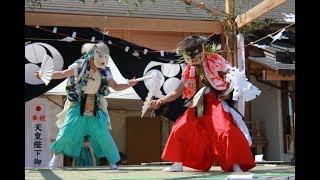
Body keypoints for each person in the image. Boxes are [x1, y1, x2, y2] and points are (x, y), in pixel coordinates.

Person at [149, 35, 256, 172]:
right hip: (197, 102)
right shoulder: (189, 70)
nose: (194, 59)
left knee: (226, 130)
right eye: (190, 56)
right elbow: (176, 92)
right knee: (179, 128)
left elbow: (233, 75)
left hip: (215, 102)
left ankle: (236, 164)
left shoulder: (215, 60)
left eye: (196, 54)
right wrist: (160, 101)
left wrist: (228, 91)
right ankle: (177, 164)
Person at [35, 42, 137, 170]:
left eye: (106, 56)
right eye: (101, 55)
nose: (103, 59)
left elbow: (116, 86)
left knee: (103, 135)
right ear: (91, 55)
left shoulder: (105, 71)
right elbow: (63, 74)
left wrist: (129, 84)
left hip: (96, 106)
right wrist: (45, 74)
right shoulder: (79, 65)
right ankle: (54, 159)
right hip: (78, 103)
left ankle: (112, 162)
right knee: (66, 132)